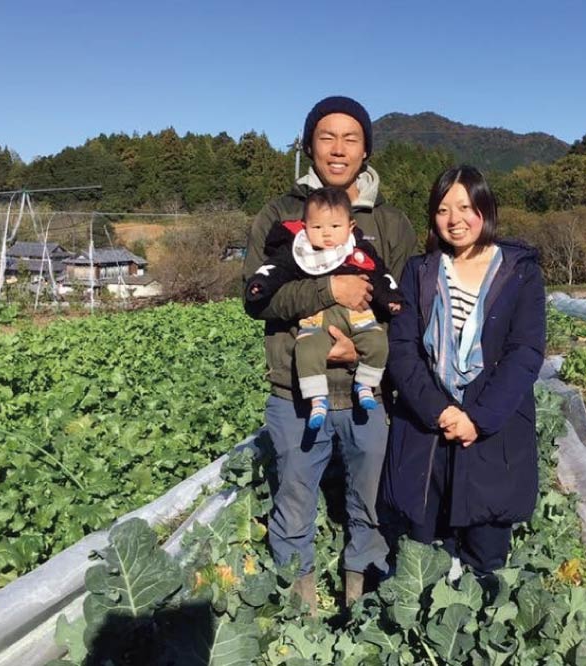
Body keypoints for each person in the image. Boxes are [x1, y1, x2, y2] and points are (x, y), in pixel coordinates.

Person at [241, 96, 416, 613]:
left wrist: (357, 349)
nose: (338, 149)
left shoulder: (391, 223)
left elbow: (403, 304)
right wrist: (330, 292)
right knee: (293, 504)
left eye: (351, 138)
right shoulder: (280, 217)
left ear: (366, 150)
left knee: (371, 504)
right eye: (326, 137)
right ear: (309, 145)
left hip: (370, 393)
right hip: (294, 393)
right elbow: (258, 298)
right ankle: (302, 607)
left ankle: (360, 598)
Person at [381, 164, 545, 578]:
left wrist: (478, 419)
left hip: (491, 435)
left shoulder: (519, 272)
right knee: (422, 557)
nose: (455, 220)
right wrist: (441, 410)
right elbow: (402, 349)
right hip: (427, 433)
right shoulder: (419, 272)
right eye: (443, 209)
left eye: (466, 207)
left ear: (485, 209)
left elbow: (524, 351)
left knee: (485, 560)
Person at [245, 186, 403, 429]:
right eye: (317, 228)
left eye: (335, 227)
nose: (326, 234)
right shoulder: (297, 252)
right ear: (305, 227)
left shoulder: (360, 251)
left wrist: (391, 298)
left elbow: (381, 278)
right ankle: (316, 397)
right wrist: (260, 284)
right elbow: (273, 270)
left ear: (350, 227)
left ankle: (366, 384)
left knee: (377, 342)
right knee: (307, 349)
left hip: (358, 319)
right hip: (316, 321)